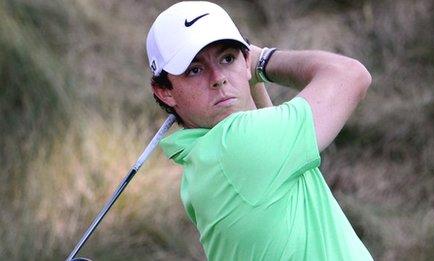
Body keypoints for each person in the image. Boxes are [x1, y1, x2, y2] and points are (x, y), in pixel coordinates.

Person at [146, 1, 373, 260]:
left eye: (227, 58)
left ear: (243, 62)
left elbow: (259, 117)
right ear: (165, 92)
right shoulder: (235, 145)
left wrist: (247, 71)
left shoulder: (203, 158)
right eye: (195, 70)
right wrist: (261, 60)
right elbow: (351, 75)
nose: (218, 77)